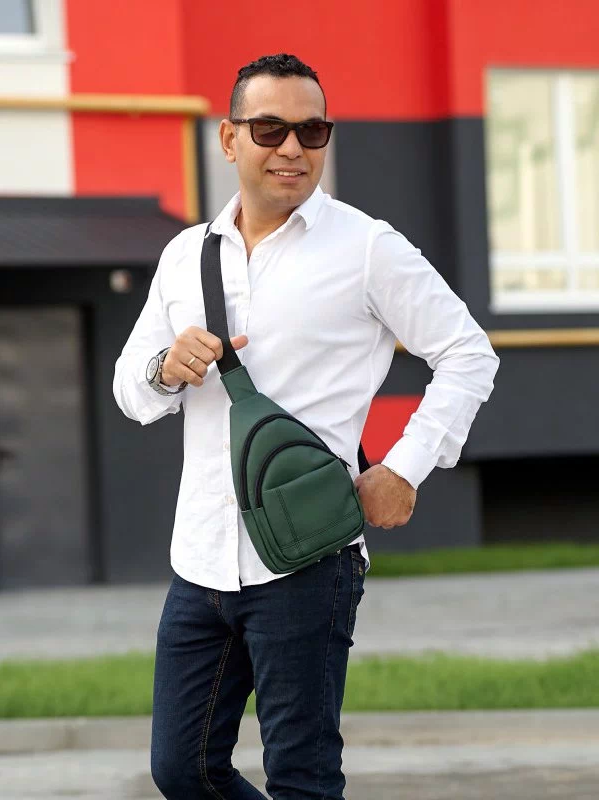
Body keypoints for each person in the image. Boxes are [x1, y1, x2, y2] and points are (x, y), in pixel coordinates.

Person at [113, 53, 500, 800]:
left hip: (308, 560)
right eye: (270, 129)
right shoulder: (186, 255)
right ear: (229, 139)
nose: (292, 147)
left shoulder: (366, 247)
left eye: (312, 131)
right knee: (182, 769)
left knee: (302, 778)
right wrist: (166, 367)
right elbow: (131, 391)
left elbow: (466, 352)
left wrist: (404, 468)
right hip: (200, 558)